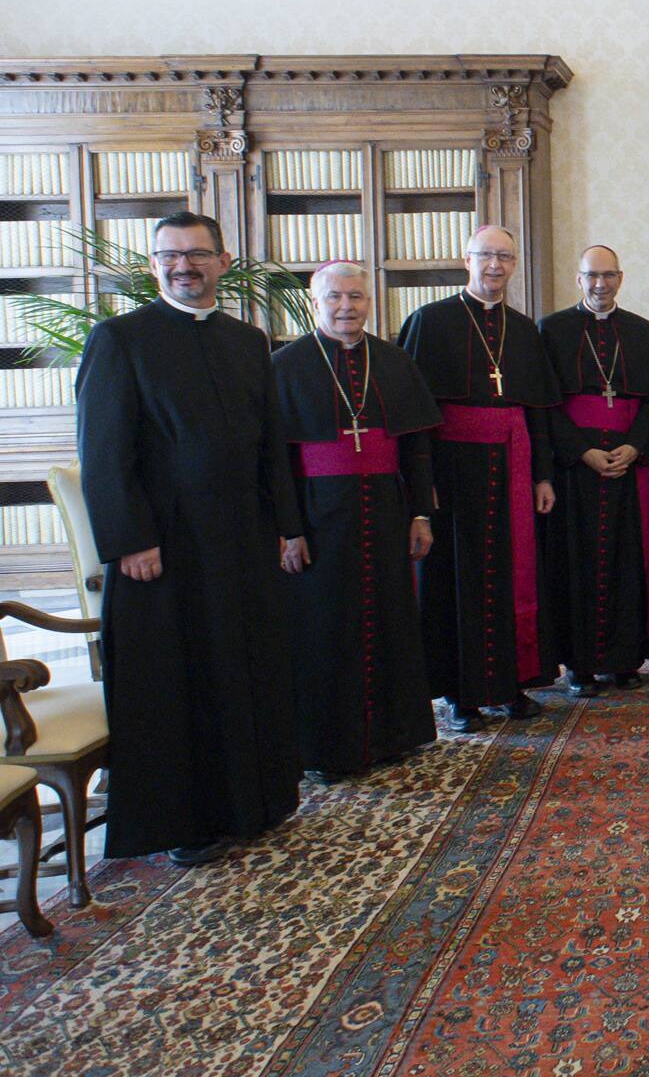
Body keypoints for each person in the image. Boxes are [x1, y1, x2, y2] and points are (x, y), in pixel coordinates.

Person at [75, 211, 303, 863]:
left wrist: (287, 526)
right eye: (170, 256)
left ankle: (255, 803)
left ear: (223, 261)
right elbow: (104, 453)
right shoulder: (119, 339)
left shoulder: (248, 340)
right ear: (153, 266)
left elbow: (271, 446)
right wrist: (128, 542)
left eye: (197, 254)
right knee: (181, 682)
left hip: (241, 539)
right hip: (164, 549)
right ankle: (188, 823)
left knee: (245, 667)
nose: (185, 266)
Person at [273, 261, 440, 781]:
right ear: (315, 302)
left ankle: (395, 734)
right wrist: (289, 528)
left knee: (391, 617)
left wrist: (420, 514)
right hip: (321, 515)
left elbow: (415, 445)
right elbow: (275, 459)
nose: (347, 306)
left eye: (357, 297)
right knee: (325, 627)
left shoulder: (392, 361)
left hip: (387, 510)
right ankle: (329, 748)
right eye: (336, 297)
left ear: (371, 302)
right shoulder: (285, 366)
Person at [398, 225, 562, 732]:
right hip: (452, 472)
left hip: (512, 467)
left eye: (505, 257)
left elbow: (537, 412)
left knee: (513, 575)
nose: (495, 266)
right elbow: (416, 417)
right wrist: (422, 488)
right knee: (455, 579)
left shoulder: (523, 328)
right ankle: (460, 697)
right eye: (486, 255)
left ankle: (510, 686)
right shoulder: (428, 321)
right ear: (466, 259)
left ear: (515, 264)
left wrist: (543, 477)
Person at [539, 246, 649, 696]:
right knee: (574, 563)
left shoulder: (644, 333)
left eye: (609, 275)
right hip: (575, 472)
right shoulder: (551, 330)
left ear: (621, 277)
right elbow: (545, 404)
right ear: (579, 279)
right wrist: (581, 452)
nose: (601, 284)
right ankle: (579, 666)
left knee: (629, 560)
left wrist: (635, 447)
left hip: (628, 468)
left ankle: (624, 660)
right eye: (592, 276)